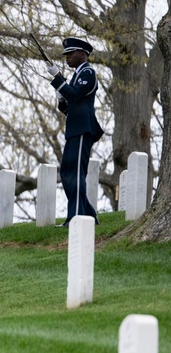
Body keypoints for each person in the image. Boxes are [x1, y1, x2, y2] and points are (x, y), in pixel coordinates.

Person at [45, 37, 104, 226]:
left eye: (70, 53)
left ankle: (76, 216)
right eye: (66, 54)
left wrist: (58, 79)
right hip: (74, 128)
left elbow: (76, 95)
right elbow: (69, 106)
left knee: (76, 172)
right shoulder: (76, 75)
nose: (67, 57)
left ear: (83, 54)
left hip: (82, 128)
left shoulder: (88, 72)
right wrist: (62, 100)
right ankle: (86, 214)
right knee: (67, 172)